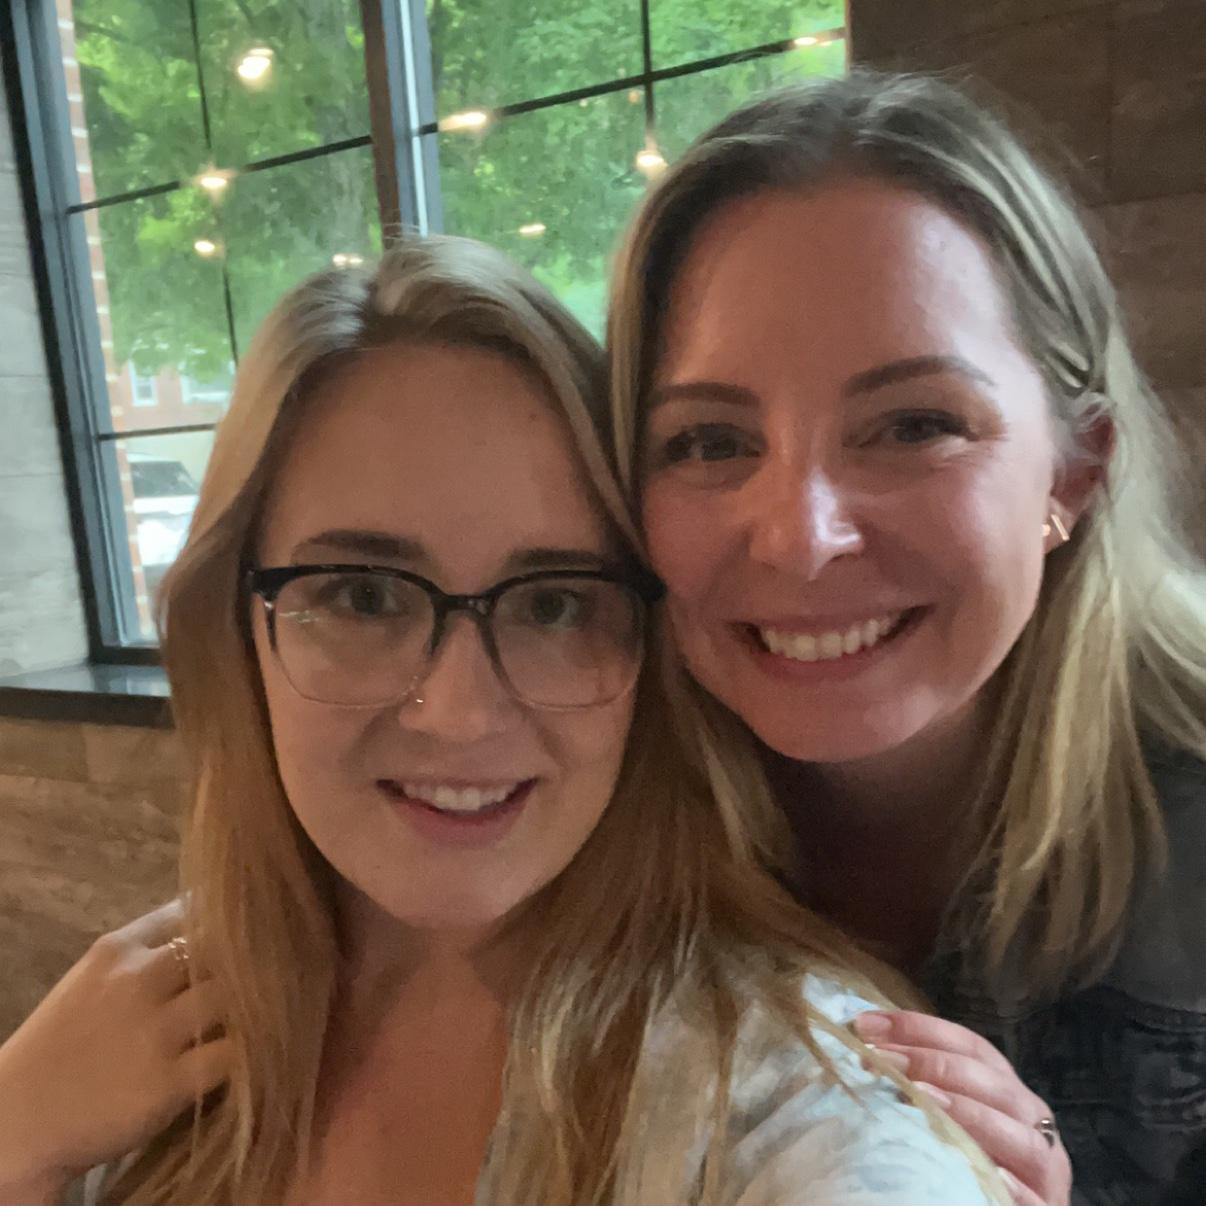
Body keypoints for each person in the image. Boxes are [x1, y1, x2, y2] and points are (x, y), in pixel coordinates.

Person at [0, 236, 1010, 1205]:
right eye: (362, 597)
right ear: (236, 631)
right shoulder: (147, 1026)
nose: (459, 715)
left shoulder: (788, 1103)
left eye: (554, 605)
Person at [607, 68, 1206, 1206]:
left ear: (1075, 470)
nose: (800, 540)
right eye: (711, 442)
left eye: (915, 424)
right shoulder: (576, 799)